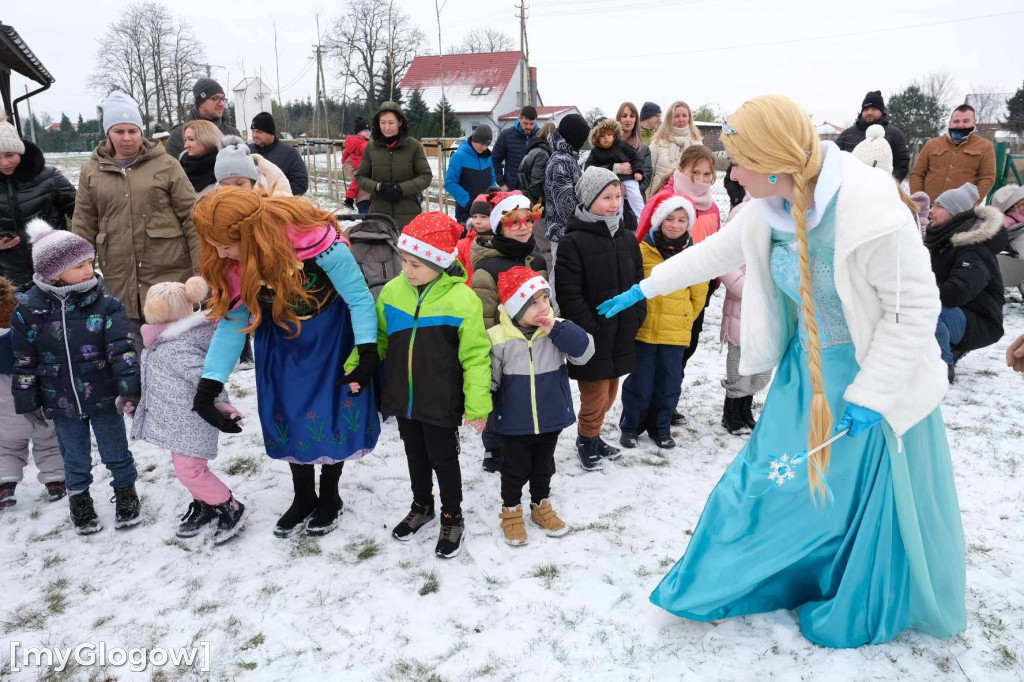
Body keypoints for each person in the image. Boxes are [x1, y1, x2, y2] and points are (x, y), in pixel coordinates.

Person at [596, 94, 966, 648]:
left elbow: (914, 312)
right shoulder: (767, 205)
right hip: (805, 379)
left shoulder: (871, 211)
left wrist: (873, 393)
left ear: (774, 163)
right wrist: (643, 287)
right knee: (770, 482)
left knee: (849, 494)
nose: (732, 172)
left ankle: (842, 580)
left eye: (738, 161)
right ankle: (739, 576)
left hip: (871, 384)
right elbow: (715, 252)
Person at [192, 189, 381, 539]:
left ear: (250, 234)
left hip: (329, 340)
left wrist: (367, 350)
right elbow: (233, 321)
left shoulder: (318, 244)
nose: (220, 253)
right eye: (214, 245)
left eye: (226, 245)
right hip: (280, 344)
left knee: (329, 415)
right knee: (289, 414)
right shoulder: (233, 262)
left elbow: (357, 296)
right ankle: (303, 495)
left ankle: (330, 495)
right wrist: (210, 384)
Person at [366, 212, 491, 559]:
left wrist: (478, 404)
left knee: (443, 458)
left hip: (441, 397)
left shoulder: (463, 300)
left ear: (438, 262)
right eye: (404, 260)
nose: (407, 269)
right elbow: (378, 338)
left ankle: (453, 514)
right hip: (403, 396)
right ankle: (422, 504)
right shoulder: (392, 293)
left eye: (416, 264)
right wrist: (359, 368)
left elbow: (476, 356)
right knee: (414, 453)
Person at [11, 219, 141, 535]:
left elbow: (121, 349)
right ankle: (79, 500)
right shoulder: (29, 311)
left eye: (89, 262)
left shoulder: (106, 304)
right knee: (74, 456)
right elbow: (24, 359)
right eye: (80, 265)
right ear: (54, 273)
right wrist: (27, 397)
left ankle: (126, 492)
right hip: (60, 399)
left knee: (115, 449)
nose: (89, 270)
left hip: (104, 394)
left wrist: (130, 386)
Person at [73, 91, 200, 338]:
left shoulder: (166, 165)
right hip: (120, 277)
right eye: (119, 131)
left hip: (169, 277)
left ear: (141, 131)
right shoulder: (91, 171)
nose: (127, 138)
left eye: (133, 131)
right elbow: (83, 225)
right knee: (130, 352)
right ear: (108, 133)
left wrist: (201, 270)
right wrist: (78, 276)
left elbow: (192, 218)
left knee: (177, 351)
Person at [130, 277, 247, 543]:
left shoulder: (178, 346)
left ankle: (229, 506)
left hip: (192, 420)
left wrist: (223, 406)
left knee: (191, 471)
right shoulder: (161, 342)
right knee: (188, 468)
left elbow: (207, 379)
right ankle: (207, 504)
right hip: (176, 421)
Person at [489, 266, 594, 545]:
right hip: (513, 421)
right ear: (514, 308)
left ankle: (540, 505)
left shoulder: (555, 331)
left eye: (545, 299)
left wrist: (559, 329)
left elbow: (584, 352)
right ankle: (511, 511)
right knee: (515, 468)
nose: (542, 307)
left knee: (543, 465)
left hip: (550, 416)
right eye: (532, 302)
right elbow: (490, 380)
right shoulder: (498, 338)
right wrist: (481, 408)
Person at [555, 166, 645, 471]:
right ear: (589, 198)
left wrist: (636, 316)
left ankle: (593, 436)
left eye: (618, 196)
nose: (615, 203)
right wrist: (590, 328)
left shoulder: (627, 238)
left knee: (609, 393)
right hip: (592, 335)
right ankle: (586, 439)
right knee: (594, 395)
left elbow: (638, 282)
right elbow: (569, 294)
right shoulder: (574, 242)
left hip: (621, 331)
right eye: (607, 197)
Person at [637, 144, 722, 427]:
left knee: (683, 349)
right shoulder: (666, 199)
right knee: (653, 353)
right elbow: (641, 238)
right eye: (694, 172)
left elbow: (719, 244)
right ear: (682, 169)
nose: (700, 178)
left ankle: (665, 403)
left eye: (706, 173)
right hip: (662, 289)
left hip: (696, 288)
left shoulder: (711, 207)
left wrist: (714, 281)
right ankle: (645, 407)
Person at [619, 193, 706, 450]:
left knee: (669, 382)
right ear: (658, 221)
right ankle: (631, 425)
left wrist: (685, 316)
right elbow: (633, 286)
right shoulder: (643, 251)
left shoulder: (694, 254)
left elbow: (698, 294)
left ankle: (661, 427)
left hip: (675, 333)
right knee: (640, 382)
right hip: (645, 331)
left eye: (681, 220)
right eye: (669, 218)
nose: (675, 225)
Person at [925, 182, 1007, 383]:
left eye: (939, 207)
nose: (931, 211)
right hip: (959, 312)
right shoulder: (943, 238)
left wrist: (920, 291)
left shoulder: (973, 249)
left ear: (956, 213)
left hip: (981, 319)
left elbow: (957, 292)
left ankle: (943, 367)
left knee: (925, 311)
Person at [0, 276, 65, 508]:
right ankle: (55, 480)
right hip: (36, 400)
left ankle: (5, 484)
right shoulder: (26, 328)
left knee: (6, 447)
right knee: (49, 441)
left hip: (5, 414)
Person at [718, 168, 771, 434]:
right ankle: (732, 412)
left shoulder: (783, 213)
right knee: (740, 362)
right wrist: (745, 288)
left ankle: (746, 409)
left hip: (770, 305)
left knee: (761, 363)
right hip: (744, 303)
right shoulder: (743, 213)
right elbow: (725, 258)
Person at [0, 115, 77, 287]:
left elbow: (81, 213)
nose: (4, 163)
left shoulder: (49, 177)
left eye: (9, 154)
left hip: (56, 270)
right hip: (9, 279)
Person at [355, 101, 432, 229]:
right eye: (383, 122)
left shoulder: (413, 146)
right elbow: (360, 177)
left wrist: (401, 189)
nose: (387, 127)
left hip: (409, 216)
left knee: (405, 250)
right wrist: (379, 187)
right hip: (379, 216)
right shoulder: (371, 147)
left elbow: (425, 176)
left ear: (400, 122)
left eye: (391, 122)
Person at [910, 104, 996, 202]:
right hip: (930, 207)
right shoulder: (932, 144)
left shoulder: (985, 146)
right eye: (956, 121)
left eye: (966, 121)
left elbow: (987, 178)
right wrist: (919, 200)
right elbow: (917, 174)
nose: (960, 125)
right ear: (950, 122)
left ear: (974, 122)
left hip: (961, 210)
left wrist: (971, 203)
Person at [834, 90, 911, 181]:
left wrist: (892, 184)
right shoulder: (847, 134)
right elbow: (834, 159)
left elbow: (902, 164)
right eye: (866, 109)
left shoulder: (894, 134)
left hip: (881, 190)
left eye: (873, 109)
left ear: (881, 112)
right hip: (850, 187)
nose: (869, 112)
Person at [543, 114, 589, 263]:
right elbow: (565, 203)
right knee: (560, 278)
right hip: (562, 233)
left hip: (569, 231)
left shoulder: (568, 157)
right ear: (574, 136)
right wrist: (585, 222)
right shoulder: (560, 161)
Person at [584, 118, 645, 229]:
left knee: (635, 197)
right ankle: (617, 228)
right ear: (597, 138)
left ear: (614, 135)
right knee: (617, 206)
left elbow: (635, 157)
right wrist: (613, 168)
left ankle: (643, 221)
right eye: (602, 136)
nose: (606, 137)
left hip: (629, 178)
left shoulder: (622, 145)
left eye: (609, 134)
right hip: (611, 183)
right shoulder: (596, 151)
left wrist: (638, 170)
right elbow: (588, 168)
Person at [166, 78, 241, 160]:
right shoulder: (178, 135)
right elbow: (170, 169)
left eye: (223, 99)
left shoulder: (232, 133)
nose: (221, 104)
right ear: (200, 102)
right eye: (215, 98)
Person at [445, 125, 498, 224]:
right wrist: (468, 201)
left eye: (487, 145)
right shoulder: (459, 156)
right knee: (467, 239)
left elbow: (492, 179)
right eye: (481, 144)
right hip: (466, 211)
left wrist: (494, 196)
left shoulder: (487, 157)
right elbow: (450, 182)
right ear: (474, 139)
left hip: (486, 210)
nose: (484, 147)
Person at [648, 101, 703, 196]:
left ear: (689, 118)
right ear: (670, 118)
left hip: (688, 199)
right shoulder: (658, 142)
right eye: (676, 116)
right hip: (660, 199)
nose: (681, 120)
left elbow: (703, 176)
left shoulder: (698, 145)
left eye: (684, 115)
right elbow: (648, 174)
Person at [248, 112, 308, 196]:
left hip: (279, 206)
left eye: (259, 132)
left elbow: (301, 183)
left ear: (271, 133)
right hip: (251, 205)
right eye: (253, 131)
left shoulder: (289, 153)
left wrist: (276, 195)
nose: (254, 135)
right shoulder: (247, 151)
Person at [216, 135, 292, 197]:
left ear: (254, 181)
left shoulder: (280, 201)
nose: (233, 191)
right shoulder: (216, 206)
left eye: (239, 184)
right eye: (225, 186)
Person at [492, 106, 538, 190]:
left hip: (534, 190)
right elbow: (495, 160)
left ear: (536, 120)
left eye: (532, 124)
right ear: (519, 118)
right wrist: (502, 184)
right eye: (525, 123)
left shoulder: (541, 137)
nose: (528, 127)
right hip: (512, 188)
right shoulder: (507, 135)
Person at [617, 102, 653, 199]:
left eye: (632, 116)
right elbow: (596, 168)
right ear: (618, 119)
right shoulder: (609, 146)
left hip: (635, 203)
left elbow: (646, 178)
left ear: (636, 119)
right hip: (611, 203)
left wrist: (629, 192)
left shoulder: (644, 149)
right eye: (624, 116)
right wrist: (617, 168)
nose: (628, 119)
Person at [178, 120, 222, 196]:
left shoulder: (225, 169)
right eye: (185, 140)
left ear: (207, 139)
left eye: (191, 139)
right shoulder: (180, 168)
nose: (186, 145)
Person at [455, 194, 493, 282]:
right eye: (474, 217)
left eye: (483, 217)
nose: (477, 221)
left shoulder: (503, 243)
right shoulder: (462, 245)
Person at [517, 122, 555, 205]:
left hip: (526, 195)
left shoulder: (535, 148)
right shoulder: (542, 153)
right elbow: (536, 184)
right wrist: (546, 201)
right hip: (533, 201)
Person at [343, 118, 372, 212]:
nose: (368, 133)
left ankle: (349, 199)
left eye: (369, 130)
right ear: (358, 132)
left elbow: (345, 157)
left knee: (355, 184)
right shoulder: (365, 144)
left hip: (372, 194)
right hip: (365, 194)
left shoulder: (352, 144)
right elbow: (346, 164)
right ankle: (349, 200)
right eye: (366, 131)